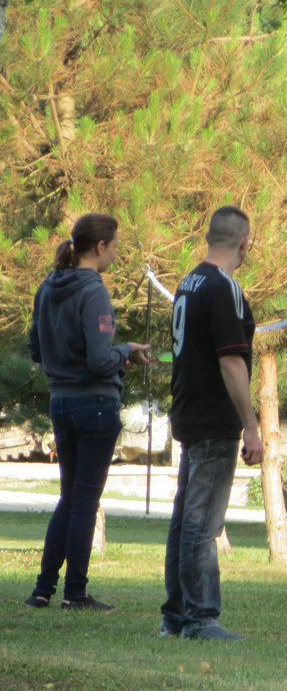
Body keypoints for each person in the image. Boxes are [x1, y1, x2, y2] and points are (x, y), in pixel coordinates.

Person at [24, 213, 152, 611]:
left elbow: (36, 349)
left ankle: (42, 589)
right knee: (84, 500)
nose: (115, 254)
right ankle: (75, 593)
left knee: (69, 497)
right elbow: (99, 360)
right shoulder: (93, 290)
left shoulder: (48, 286)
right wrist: (124, 351)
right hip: (95, 403)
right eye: (114, 246)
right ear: (99, 247)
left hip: (60, 401)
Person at [161, 205, 264, 641]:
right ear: (244, 242)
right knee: (202, 523)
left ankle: (175, 615)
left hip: (189, 410)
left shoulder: (189, 282)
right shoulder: (223, 288)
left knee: (185, 518)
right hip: (212, 418)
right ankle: (199, 617)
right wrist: (251, 425)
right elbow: (231, 362)